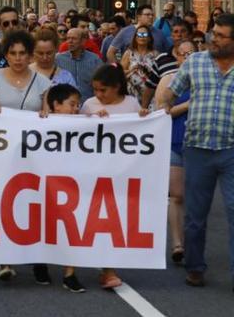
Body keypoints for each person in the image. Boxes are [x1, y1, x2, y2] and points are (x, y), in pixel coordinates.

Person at [162, 13, 234, 289]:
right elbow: (171, 92)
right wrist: (160, 107)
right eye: (213, 33)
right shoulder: (195, 62)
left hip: (231, 150)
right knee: (195, 215)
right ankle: (194, 267)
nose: (213, 39)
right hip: (197, 150)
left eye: (220, 36)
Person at [0, 30, 53, 283]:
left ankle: (38, 257)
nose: (18, 58)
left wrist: (46, 114)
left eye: (23, 53)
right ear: (6, 55)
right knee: (4, 203)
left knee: (34, 204)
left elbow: (49, 113)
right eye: (13, 53)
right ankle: (5, 259)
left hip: (33, 155)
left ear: (30, 54)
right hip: (1, 153)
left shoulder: (43, 82)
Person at [80, 64, 149, 289]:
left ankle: (109, 270)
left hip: (121, 174)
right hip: (93, 173)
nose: (98, 95)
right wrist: (90, 119)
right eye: (96, 90)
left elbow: (141, 132)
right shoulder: (89, 105)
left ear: (117, 87)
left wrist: (145, 118)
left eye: (103, 90)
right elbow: (74, 134)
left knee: (113, 221)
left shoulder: (131, 105)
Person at [43, 83, 88, 293]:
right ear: (56, 105)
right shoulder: (38, 123)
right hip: (44, 183)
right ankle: (39, 262)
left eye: (78, 105)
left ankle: (70, 273)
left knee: (71, 225)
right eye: (72, 104)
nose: (76, 109)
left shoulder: (82, 125)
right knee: (42, 223)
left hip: (71, 185)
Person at [154, 39, 196, 266]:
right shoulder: (169, 80)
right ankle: (177, 243)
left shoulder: (202, 79)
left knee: (197, 198)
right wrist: (189, 104)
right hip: (174, 142)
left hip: (199, 143)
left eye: (192, 53)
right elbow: (163, 110)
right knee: (177, 194)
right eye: (184, 54)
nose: (188, 58)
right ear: (177, 56)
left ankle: (194, 241)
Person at [142, 20, 192, 108]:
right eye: (175, 32)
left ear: (190, 35)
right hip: (167, 110)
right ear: (171, 36)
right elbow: (150, 88)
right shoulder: (161, 59)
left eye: (183, 31)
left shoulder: (197, 57)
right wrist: (143, 109)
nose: (179, 35)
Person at [106, 5, 171, 61]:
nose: (151, 17)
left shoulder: (159, 33)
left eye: (152, 15)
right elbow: (110, 53)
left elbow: (168, 53)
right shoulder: (126, 31)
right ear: (139, 17)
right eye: (147, 15)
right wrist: (119, 69)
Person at [55, 28, 102, 99]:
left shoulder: (94, 59)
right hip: (65, 105)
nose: (70, 41)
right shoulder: (59, 59)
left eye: (74, 38)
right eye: (68, 38)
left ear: (83, 41)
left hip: (88, 103)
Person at [121, 25, 158, 98]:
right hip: (132, 94)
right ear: (135, 37)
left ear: (149, 38)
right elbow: (120, 73)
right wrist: (131, 70)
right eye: (140, 34)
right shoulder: (128, 53)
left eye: (145, 34)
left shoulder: (156, 54)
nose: (142, 37)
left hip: (151, 95)